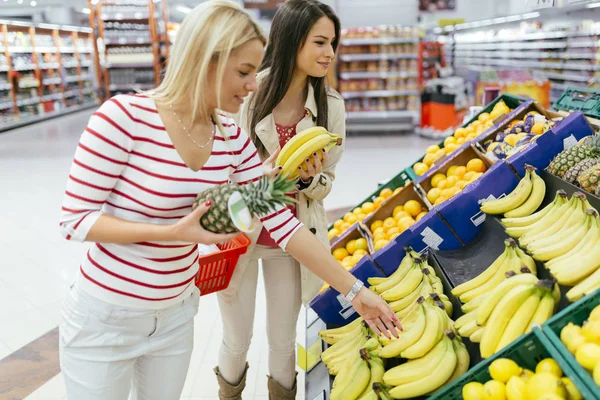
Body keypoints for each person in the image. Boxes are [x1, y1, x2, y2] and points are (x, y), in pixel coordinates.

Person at [57, 1, 399, 399]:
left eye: (255, 72)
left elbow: (283, 224)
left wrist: (355, 292)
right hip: (107, 315)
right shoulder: (123, 118)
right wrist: (173, 232)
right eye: (243, 72)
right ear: (205, 59)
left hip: (176, 315)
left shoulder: (231, 138)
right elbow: (75, 220)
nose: (254, 85)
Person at [215, 1, 347, 398]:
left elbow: (327, 185)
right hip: (241, 235)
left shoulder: (331, 107)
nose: (329, 53)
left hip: (293, 240)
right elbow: (220, 173)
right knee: (236, 339)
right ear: (292, 41)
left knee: (283, 341)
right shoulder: (248, 96)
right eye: (320, 42)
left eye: (333, 43)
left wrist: (309, 180)